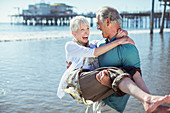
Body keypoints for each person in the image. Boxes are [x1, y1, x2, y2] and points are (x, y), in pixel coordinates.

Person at [57, 16, 170, 113]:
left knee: (128, 69)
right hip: (78, 81)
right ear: (73, 33)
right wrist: (119, 41)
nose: (86, 32)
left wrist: (123, 34)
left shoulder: (92, 44)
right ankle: (147, 100)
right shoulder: (70, 45)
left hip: (91, 81)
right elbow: (95, 53)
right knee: (114, 71)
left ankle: (150, 101)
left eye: (87, 28)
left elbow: (108, 42)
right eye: (82, 29)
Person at [95, 6, 170, 113]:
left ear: (107, 22)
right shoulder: (100, 45)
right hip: (96, 102)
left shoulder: (128, 48)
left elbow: (136, 79)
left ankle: (150, 103)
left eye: (98, 23)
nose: (97, 27)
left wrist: (108, 83)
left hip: (111, 108)